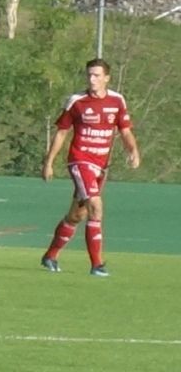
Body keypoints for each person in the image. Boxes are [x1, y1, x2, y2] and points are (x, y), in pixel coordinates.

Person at [40, 58, 140, 277]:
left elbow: (125, 130)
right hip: (80, 161)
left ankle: (50, 256)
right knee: (96, 205)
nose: (92, 79)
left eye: (96, 75)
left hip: (100, 166)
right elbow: (62, 133)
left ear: (107, 78)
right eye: (89, 75)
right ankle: (97, 265)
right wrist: (48, 163)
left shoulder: (117, 101)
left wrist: (133, 150)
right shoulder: (77, 101)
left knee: (77, 215)